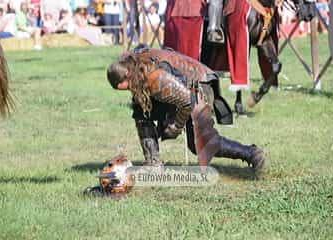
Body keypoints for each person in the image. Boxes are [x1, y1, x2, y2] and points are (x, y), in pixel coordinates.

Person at [106, 46, 265, 170]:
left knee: (200, 145)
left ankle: (251, 154)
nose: (130, 90)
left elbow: (187, 102)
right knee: (140, 110)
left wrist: (176, 125)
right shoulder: (133, 67)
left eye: (127, 87)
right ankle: (152, 164)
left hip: (198, 86)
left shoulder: (156, 78)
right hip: (177, 88)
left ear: (127, 73)